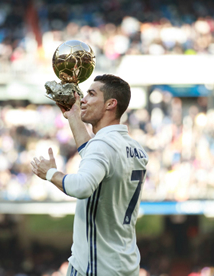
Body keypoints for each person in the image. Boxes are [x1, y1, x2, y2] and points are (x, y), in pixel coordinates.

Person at [31, 74, 149, 275]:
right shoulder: (134, 147)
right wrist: (74, 117)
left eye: (91, 94)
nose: (83, 99)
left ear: (110, 104)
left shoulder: (103, 146)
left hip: (95, 267)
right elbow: (94, 154)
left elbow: (82, 186)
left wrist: (50, 173)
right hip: (126, 265)